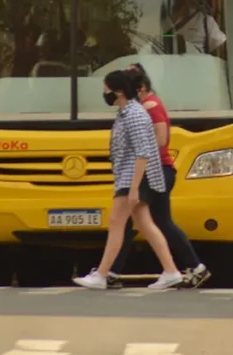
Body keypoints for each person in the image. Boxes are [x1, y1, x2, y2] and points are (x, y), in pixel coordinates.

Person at [73, 70, 184, 290]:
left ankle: (102, 274)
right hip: (130, 176)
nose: (104, 93)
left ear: (119, 91)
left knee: (116, 223)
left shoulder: (133, 114)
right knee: (145, 224)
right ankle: (171, 271)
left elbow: (143, 152)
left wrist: (134, 188)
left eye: (106, 89)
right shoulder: (127, 112)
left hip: (132, 177)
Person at [106, 64, 210, 289]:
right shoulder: (143, 106)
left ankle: (111, 271)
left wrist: (136, 152)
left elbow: (161, 140)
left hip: (156, 169)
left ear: (141, 87)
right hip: (154, 169)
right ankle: (111, 271)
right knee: (142, 220)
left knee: (143, 221)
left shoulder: (149, 106)